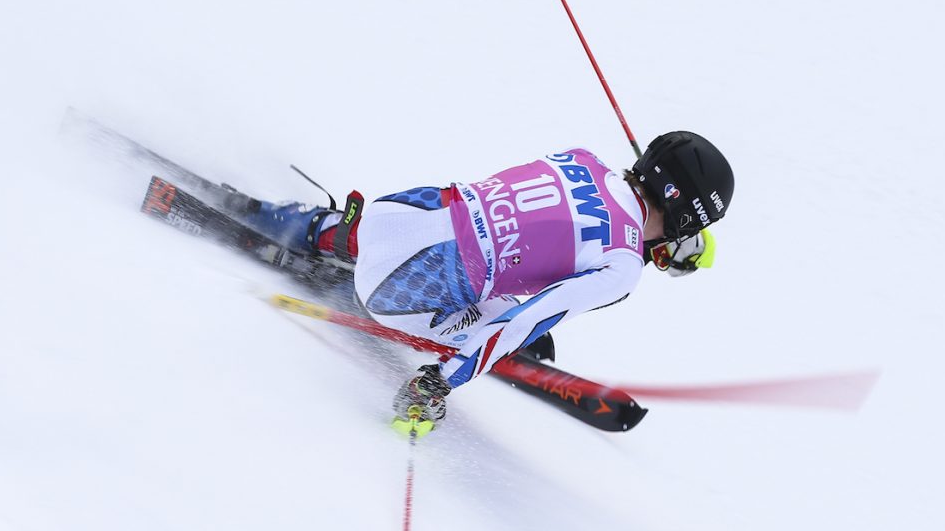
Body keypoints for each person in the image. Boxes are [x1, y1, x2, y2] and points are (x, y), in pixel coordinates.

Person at [242, 131, 734, 426]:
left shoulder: (584, 157)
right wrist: (436, 385)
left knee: (479, 235)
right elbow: (528, 317)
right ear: (688, 214)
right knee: (519, 323)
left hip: (395, 212)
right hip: (399, 287)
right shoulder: (622, 267)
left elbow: (565, 220)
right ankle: (461, 346)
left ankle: (314, 228)